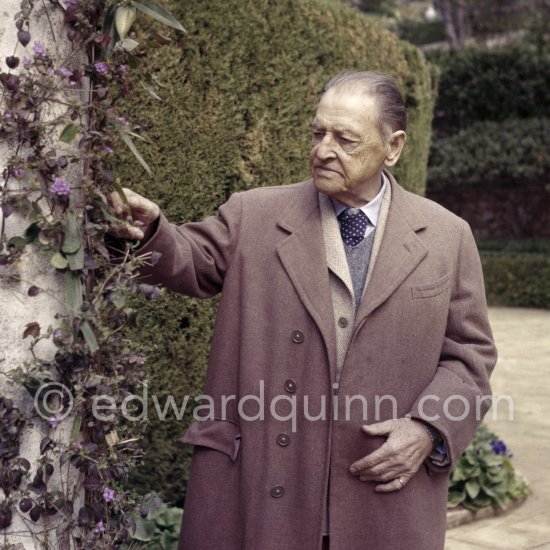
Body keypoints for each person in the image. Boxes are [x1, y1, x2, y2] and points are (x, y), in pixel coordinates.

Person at [111, 71, 497, 550]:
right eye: (318, 133)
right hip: (262, 484)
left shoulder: (447, 235)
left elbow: (471, 357)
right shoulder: (253, 214)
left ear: (392, 147)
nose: (323, 149)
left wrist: (428, 427)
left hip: (382, 496)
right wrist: (150, 234)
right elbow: (191, 259)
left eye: (345, 139)